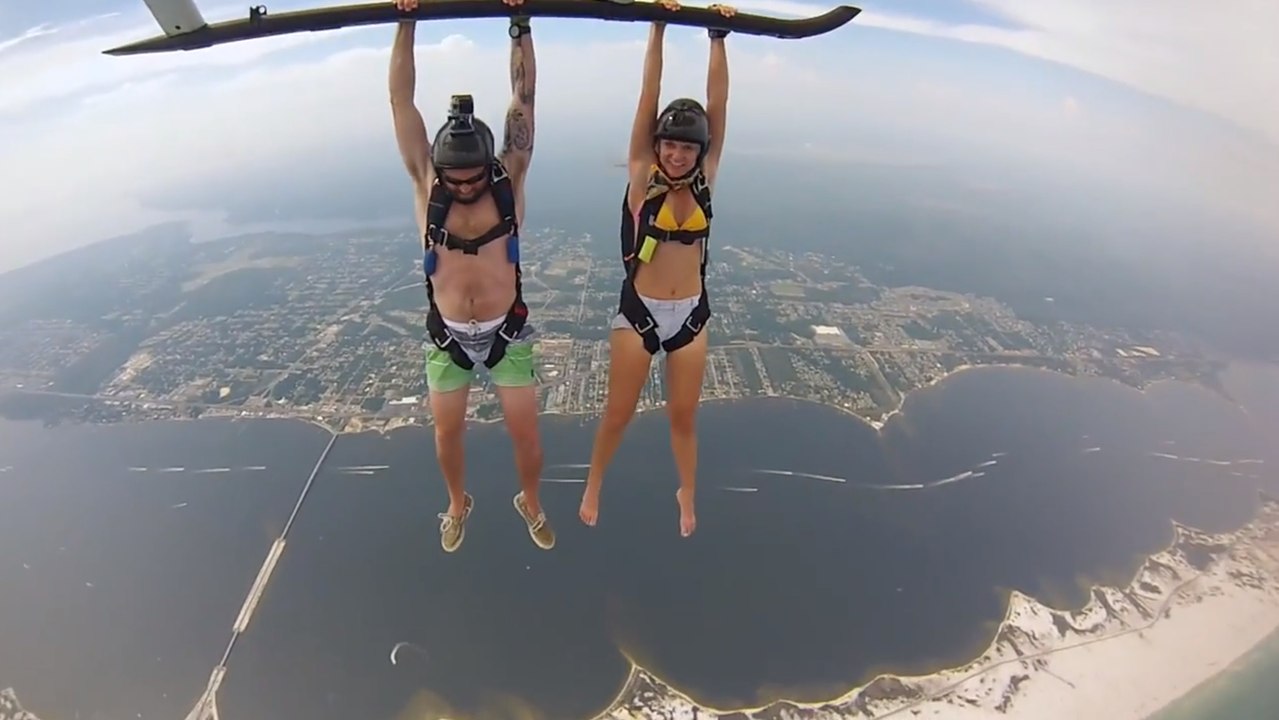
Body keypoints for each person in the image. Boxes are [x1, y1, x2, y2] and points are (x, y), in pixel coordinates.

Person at [389, 0, 554, 553]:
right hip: (450, 334)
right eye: (452, 177)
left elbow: (524, 97)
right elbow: (400, 100)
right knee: (447, 435)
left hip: (507, 332)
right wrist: (404, 21)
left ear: (489, 165)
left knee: (527, 436)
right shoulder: (426, 186)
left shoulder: (510, 179)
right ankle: (457, 503)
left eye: (471, 177)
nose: (462, 187)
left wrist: (521, 25)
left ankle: (529, 500)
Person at [579, 0, 735, 538]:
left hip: (690, 313)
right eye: (669, 144)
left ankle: (686, 493)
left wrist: (718, 38)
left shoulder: (704, 180)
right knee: (617, 413)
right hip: (641, 311)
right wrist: (658, 27)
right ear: (657, 145)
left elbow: (719, 103)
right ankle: (595, 481)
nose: (676, 154)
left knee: (683, 418)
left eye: (687, 147)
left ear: (699, 152)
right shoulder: (643, 178)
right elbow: (647, 97)